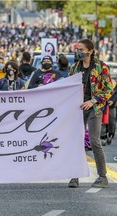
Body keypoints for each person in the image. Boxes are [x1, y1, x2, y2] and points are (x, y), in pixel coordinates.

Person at [68, 39, 113, 188]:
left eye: (81, 49)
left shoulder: (101, 67)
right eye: (77, 49)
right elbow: (67, 86)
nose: (78, 52)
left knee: (94, 141)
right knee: (76, 142)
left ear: (90, 51)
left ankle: (102, 176)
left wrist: (93, 101)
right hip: (78, 108)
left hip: (94, 108)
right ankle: (74, 177)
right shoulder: (75, 68)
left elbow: (108, 90)